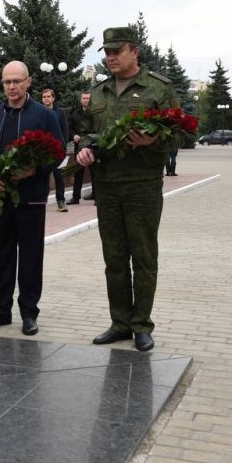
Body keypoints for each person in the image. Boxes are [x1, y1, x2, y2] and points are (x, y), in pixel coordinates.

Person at [75, 26, 182, 353]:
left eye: (115, 52)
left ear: (134, 51)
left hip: (142, 186)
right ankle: (120, 322)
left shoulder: (158, 89)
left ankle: (141, 325)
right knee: (115, 257)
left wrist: (155, 139)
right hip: (107, 186)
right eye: (106, 53)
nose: (109, 58)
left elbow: (181, 135)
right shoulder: (100, 91)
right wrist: (85, 149)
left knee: (144, 256)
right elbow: (87, 131)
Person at [0, 61, 63, 336]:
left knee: (30, 258)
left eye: (16, 81)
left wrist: (36, 169)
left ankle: (28, 313)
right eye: (7, 82)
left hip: (31, 199)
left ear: (28, 82)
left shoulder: (43, 116)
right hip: (0, 199)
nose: (11, 86)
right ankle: (0, 310)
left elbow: (59, 152)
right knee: (1, 256)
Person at [40, 88, 69, 212]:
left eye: (48, 96)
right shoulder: (39, 112)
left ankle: (61, 202)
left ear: (53, 98)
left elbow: (65, 131)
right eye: (44, 97)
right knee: (42, 177)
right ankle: (41, 202)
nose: (46, 98)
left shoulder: (60, 113)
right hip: (43, 152)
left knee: (59, 177)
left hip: (58, 151)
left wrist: (63, 147)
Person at [68, 91, 96, 204]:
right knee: (78, 172)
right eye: (84, 98)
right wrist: (73, 135)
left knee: (94, 172)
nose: (86, 100)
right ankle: (75, 197)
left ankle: (96, 196)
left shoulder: (95, 112)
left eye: (88, 98)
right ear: (80, 100)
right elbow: (69, 129)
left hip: (93, 147)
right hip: (78, 147)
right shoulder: (75, 114)